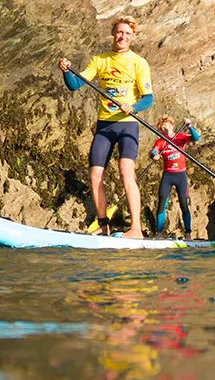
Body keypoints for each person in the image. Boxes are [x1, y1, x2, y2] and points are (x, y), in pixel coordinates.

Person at [59, 15, 153, 239]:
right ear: (113, 33)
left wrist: (134, 107)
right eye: (120, 32)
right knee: (95, 176)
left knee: (125, 172)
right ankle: (103, 225)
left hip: (127, 125)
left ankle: (136, 229)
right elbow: (75, 85)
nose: (123, 37)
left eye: (127, 34)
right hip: (105, 125)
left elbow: (148, 98)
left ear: (133, 37)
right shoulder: (100, 60)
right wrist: (66, 71)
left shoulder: (139, 63)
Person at [150, 115, 200, 239]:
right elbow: (154, 151)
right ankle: (159, 233)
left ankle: (188, 233)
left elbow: (196, 138)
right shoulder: (160, 141)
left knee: (183, 203)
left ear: (171, 126)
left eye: (166, 126)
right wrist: (154, 155)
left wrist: (190, 127)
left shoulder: (180, 137)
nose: (164, 129)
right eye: (161, 128)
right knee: (161, 202)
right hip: (167, 175)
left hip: (180, 175)